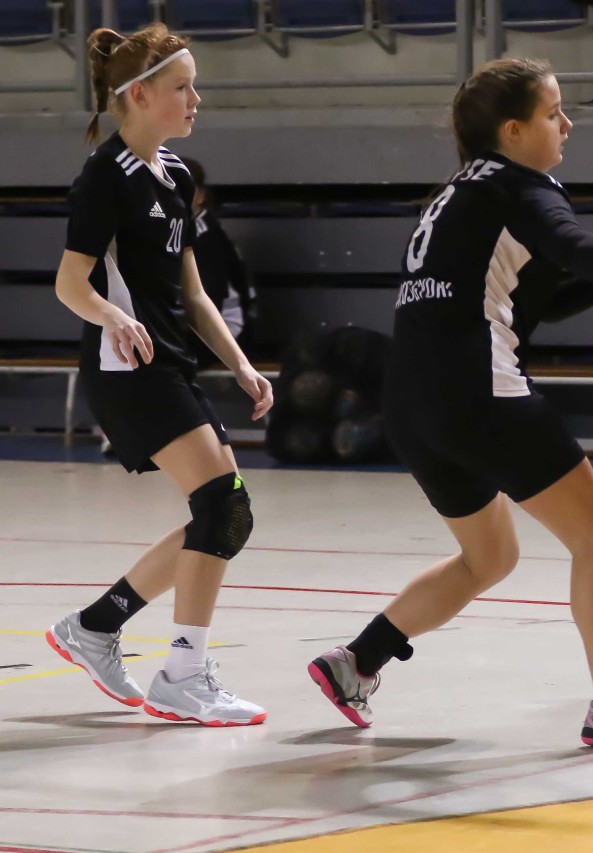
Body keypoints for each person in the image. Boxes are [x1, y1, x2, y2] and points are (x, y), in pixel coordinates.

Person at [307, 58, 593, 748]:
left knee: (487, 557)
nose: (567, 124)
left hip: (413, 403)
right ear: (513, 131)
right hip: (479, 393)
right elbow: (568, 243)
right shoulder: (520, 187)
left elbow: (539, 300)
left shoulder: (461, 194)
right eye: (553, 113)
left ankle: (357, 661)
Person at [46, 24, 274, 726]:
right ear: (139, 95)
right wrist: (110, 316)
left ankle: (95, 626)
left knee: (223, 512)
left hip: (170, 361)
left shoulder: (175, 175)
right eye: (183, 87)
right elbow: (70, 282)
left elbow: (194, 294)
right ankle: (182, 673)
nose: (195, 99)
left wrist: (240, 363)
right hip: (126, 366)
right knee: (224, 508)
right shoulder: (103, 176)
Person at [185, 157, 256, 366]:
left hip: (226, 331)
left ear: (200, 196)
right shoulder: (170, 229)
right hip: (192, 327)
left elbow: (208, 301)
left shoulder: (207, 238)